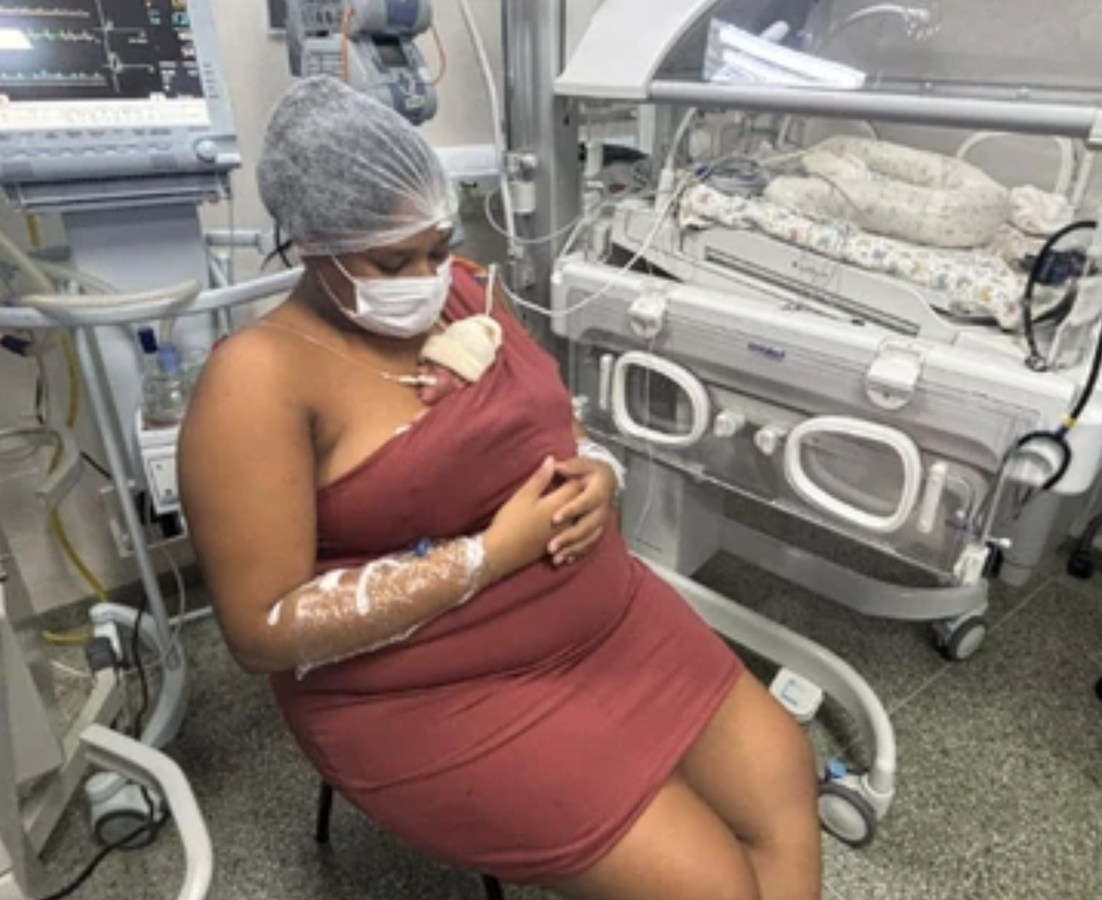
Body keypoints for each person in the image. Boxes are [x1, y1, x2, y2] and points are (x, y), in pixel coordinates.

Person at [178, 75, 822, 900]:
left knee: (785, 775)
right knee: (713, 886)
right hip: (428, 690)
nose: (427, 275)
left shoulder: (464, 294)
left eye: (438, 245)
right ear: (312, 243)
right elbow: (261, 630)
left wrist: (600, 471)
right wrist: (487, 557)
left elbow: (553, 422)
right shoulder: (258, 379)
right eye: (393, 260)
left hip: (603, 617)